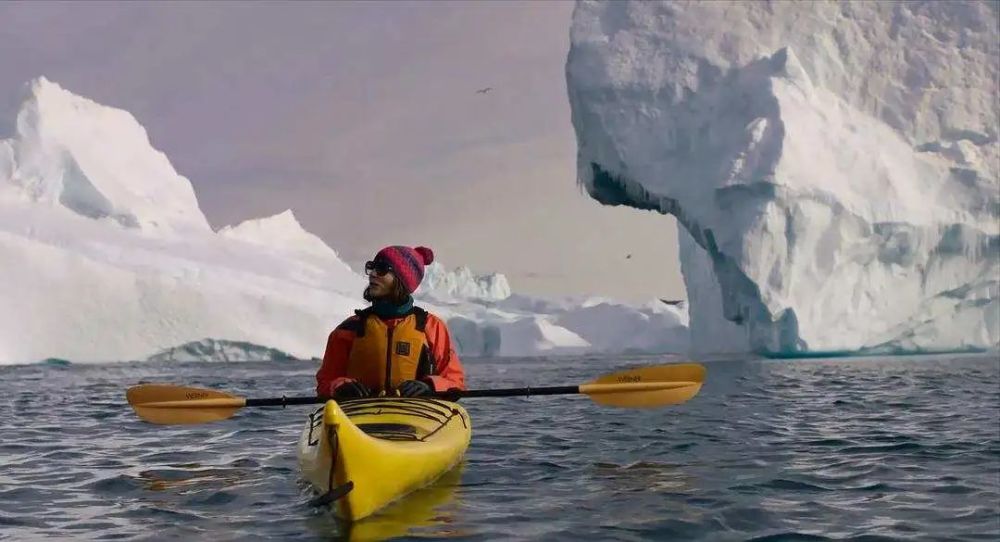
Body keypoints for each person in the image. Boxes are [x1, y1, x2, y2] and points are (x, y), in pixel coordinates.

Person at [316, 245, 466, 399]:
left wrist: (430, 386)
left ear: (402, 280)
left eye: (381, 269)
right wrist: (340, 386)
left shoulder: (432, 327)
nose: (373, 274)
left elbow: (454, 381)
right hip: (359, 413)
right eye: (371, 267)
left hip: (419, 413)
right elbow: (325, 383)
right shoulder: (349, 329)